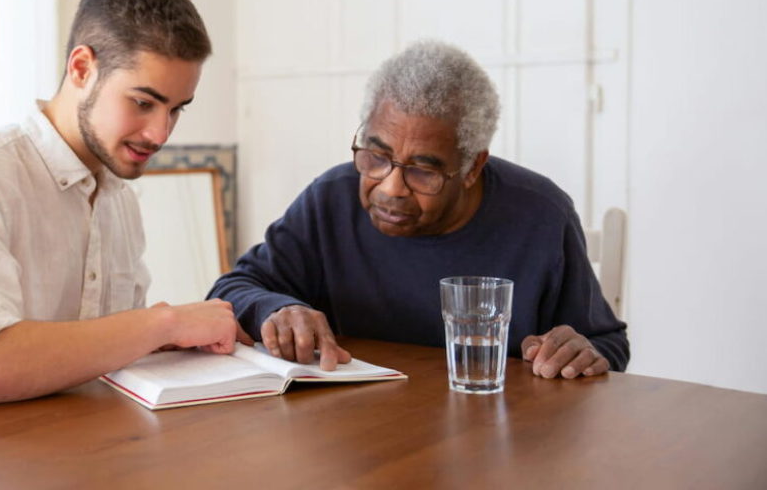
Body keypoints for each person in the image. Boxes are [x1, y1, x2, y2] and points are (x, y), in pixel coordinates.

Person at [0, 0, 243, 414]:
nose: (161, 134)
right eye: (143, 103)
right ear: (82, 68)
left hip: (64, 446)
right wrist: (162, 323)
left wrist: (178, 342)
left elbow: (110, 349)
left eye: (176, 110)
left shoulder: (118, 198)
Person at [209, 39, 629, 379]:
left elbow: (606, 344)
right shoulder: (331, 199)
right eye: (375, 157)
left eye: (423, 171)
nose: (390, 188)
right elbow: (231, 290)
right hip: (359, 441)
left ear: (471, 167)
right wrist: (278, 309)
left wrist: (579, 352)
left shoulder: (541, 215)